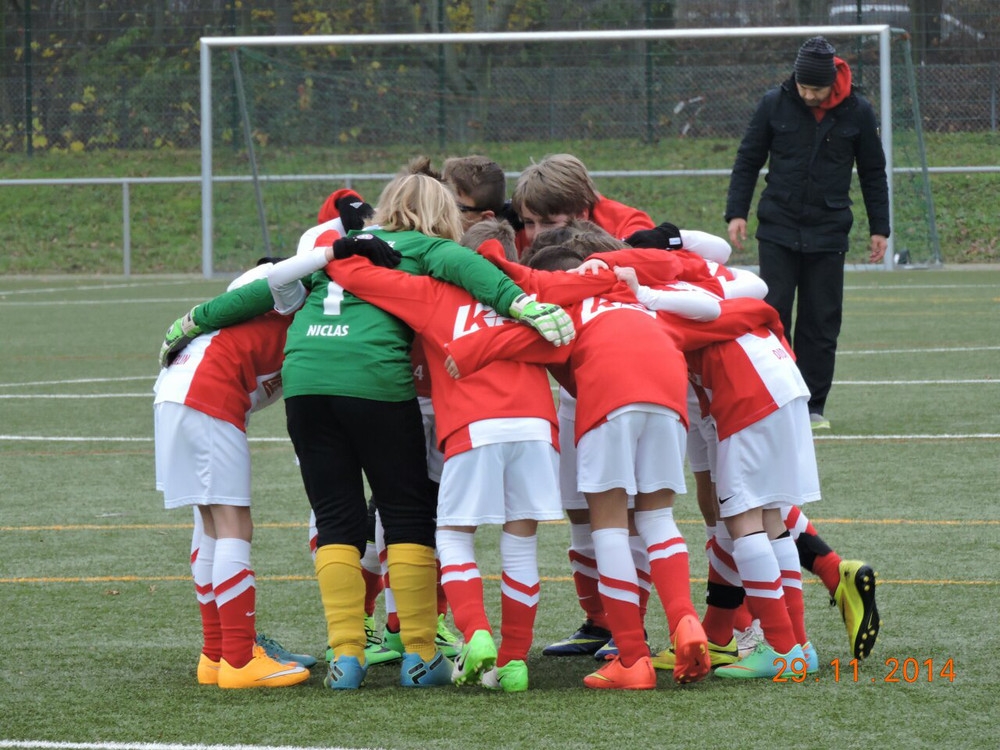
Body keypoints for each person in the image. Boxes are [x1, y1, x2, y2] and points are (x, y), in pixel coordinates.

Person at [261, 170, 574, 690]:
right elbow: (481, 275)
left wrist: (194, 321)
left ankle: (346, 657)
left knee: (336, 517)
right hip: (385, 387)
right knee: (408, 513)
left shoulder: (339, 253)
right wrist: (525, 306)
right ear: (442, 215)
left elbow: (269, 285)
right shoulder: (429, 254)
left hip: (306, 383)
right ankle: (420, 652)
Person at [153, 262, 311, 689]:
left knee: (209, 526)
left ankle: (216, 654)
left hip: (178, 392)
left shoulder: (247, 317)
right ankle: (241, 660)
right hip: (207, 393)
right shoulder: (288, 301)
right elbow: (287, 272)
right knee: (233, 525)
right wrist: (337, 247)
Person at [725, 35, 891, 430]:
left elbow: (872, 173)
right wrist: (737, 212)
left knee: (821, 320)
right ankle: (774, 397)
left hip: (829, 232)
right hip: (778, 227)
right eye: (802, 86)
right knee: (773, 313)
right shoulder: (774, 103)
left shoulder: (859, 112)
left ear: (832, 84)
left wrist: (880, 228)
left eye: (814, 89)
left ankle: (813, 406)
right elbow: (748, 159)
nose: (806, 94)